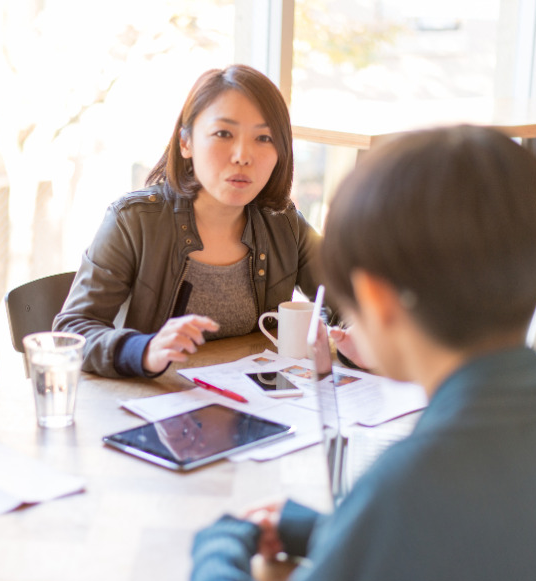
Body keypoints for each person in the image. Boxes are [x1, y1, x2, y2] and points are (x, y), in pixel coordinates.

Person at [190, 124, 536, 581]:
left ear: (375, 297)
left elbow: (418, 521)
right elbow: (489, 544)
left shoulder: (408, 485)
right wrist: (338, 530)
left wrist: (216, 553)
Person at [55, 64, 344, 378]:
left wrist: (356, 341)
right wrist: (144, 349)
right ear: (186, 143)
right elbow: (72, 330)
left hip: (256, 406)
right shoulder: (133, 221)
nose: (243, 156)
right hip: (155, 404)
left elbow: (351, 305)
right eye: (223, 134)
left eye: (263, 138)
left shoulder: (284, 223)